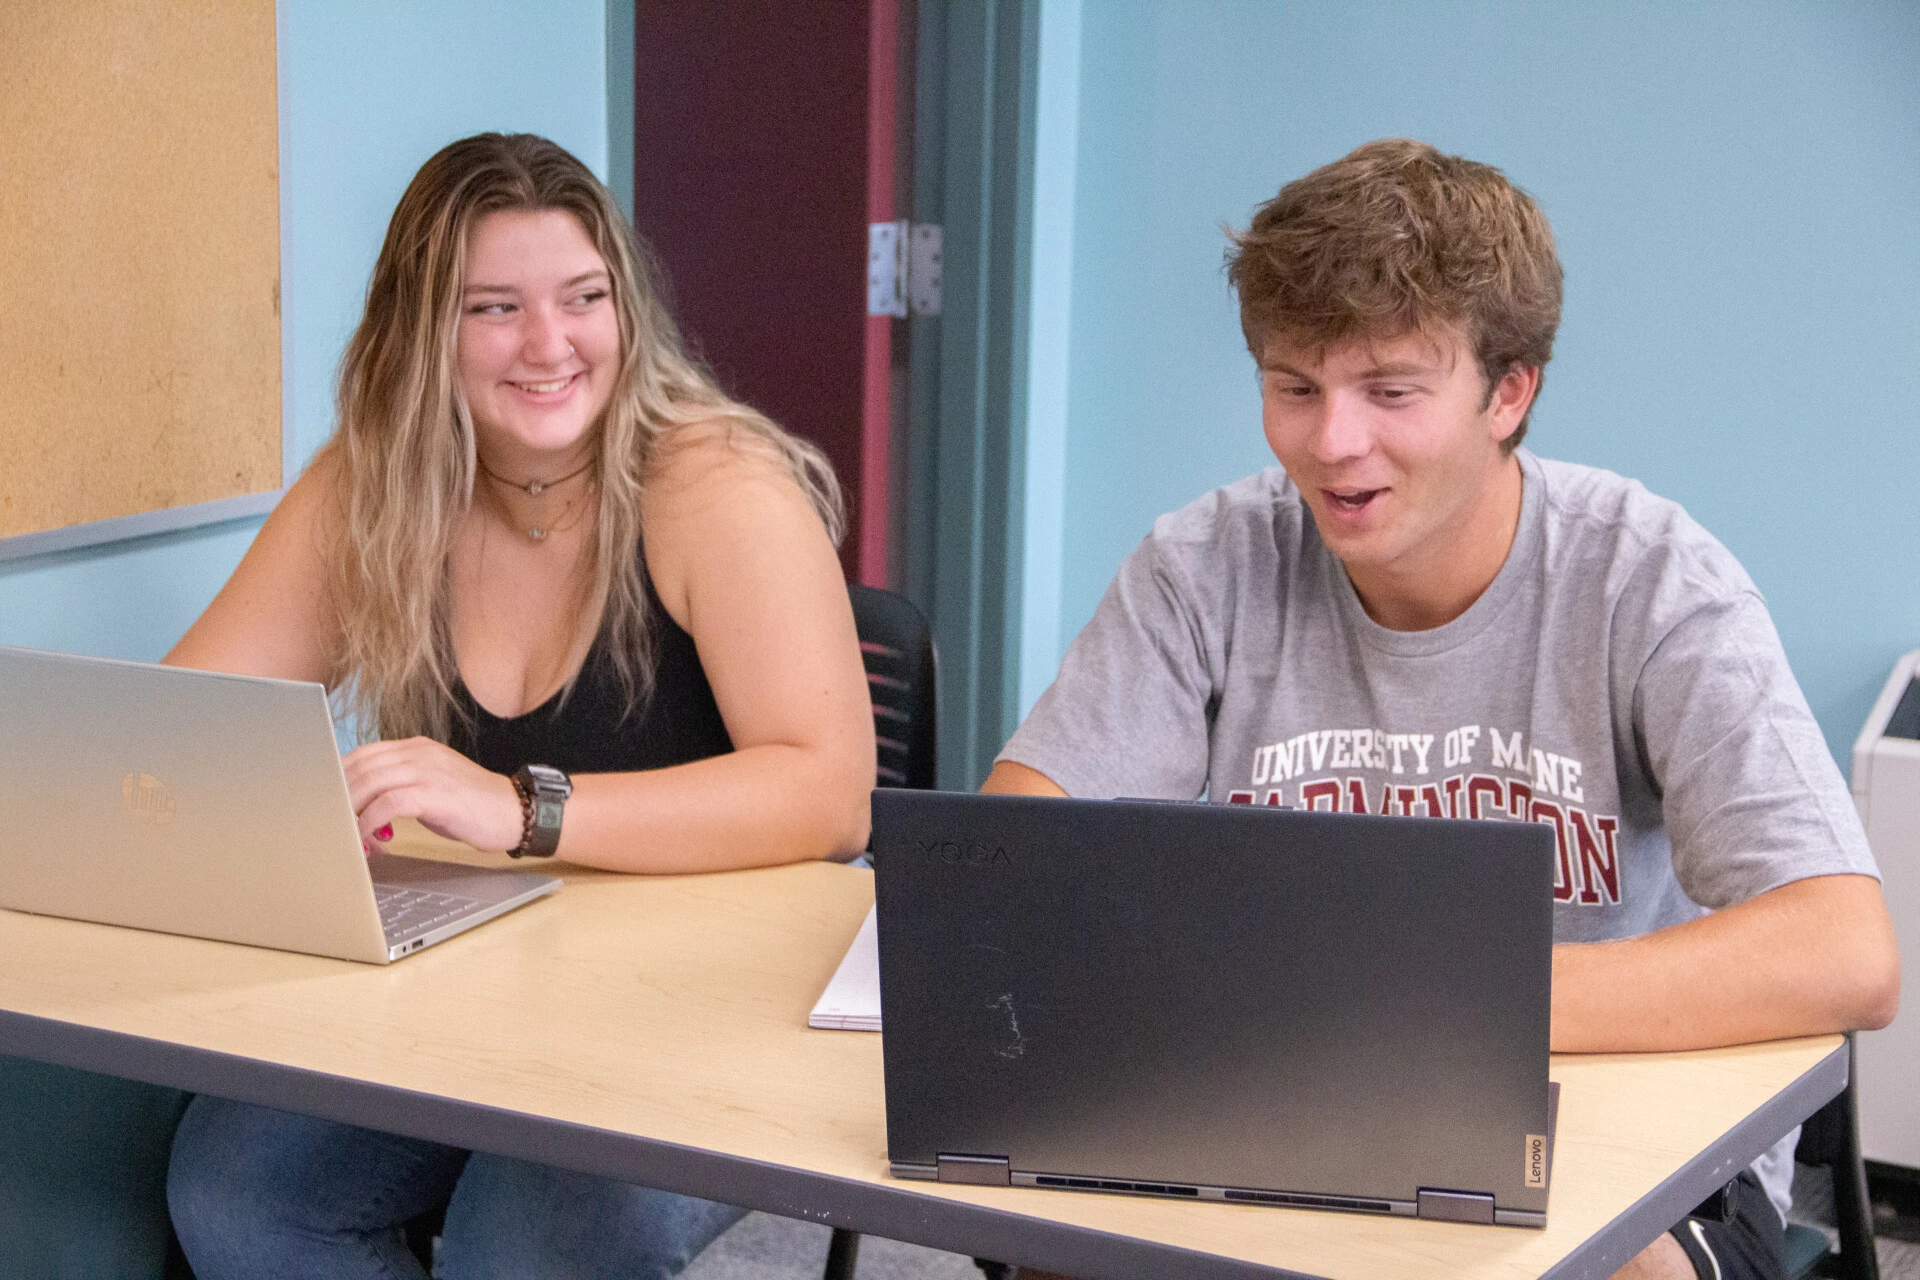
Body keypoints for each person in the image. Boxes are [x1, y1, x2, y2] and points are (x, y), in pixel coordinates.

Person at [984, 139, 1898, 1280]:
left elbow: (1844, 947)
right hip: (1275, 1107)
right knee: (1054, 1245)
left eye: (1391, 391)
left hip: (1619, 1142)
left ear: (1508, 391)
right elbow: (1009, 870)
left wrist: (1431, 1007)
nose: (1332, 443)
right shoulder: (1205, 564)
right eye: (1294, 386)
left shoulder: (1651, 579)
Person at [162, 133, 875, 1279]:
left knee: (519, 1243)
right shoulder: (378, 483)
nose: (550, 345)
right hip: (480, 989)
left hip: (702, 1002)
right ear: (420, 332)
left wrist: (521, 807)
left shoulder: (711, 483)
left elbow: (832, 794)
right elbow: (180, 731)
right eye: (495, 307)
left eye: (583, 298)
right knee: (236, 1190)